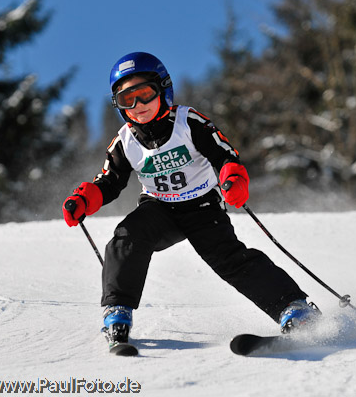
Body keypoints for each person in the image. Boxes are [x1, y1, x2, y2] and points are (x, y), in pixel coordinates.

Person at [62, 52, 320, 344]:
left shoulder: (187, 122)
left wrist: (232, 179)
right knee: (127, 237)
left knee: (228, 258)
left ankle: (293, 307)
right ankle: (117, 310)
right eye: (126, 100)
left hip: (201, 205)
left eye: (145, 94)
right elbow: (110, 181)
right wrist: (85, 199)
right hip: (159, 208)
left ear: (164, 90)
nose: (138, 106)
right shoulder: (125, 141)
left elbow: (224, 155)